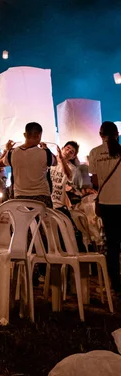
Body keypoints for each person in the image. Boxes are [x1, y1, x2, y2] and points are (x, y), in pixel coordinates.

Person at [89, 121, 121, 295]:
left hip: (107, 203)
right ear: (117, 134)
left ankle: (116, 283)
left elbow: (94, 180)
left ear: (101, 135)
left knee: (113, 244)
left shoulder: (94, 153)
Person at [0, 122, 57, 208]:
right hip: (42, 199)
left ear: (25, 135)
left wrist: (7, 150)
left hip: (20, 199)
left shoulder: (12, 153)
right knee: (43, 221)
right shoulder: (45, 154)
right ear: (39, 135)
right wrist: (46, 148)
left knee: (23, 221)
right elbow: (55, 162)